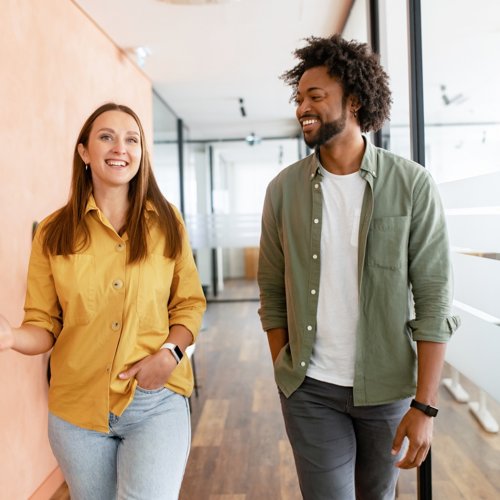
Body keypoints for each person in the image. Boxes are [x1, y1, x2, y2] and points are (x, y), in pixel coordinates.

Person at [257, 35, 460, 500]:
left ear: (354, 101)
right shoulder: (282, 191)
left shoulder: (412, 185)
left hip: (387, 390)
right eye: (298, 97)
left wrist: (424, 406)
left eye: (315, 96)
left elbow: (434, 297)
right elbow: (271, 290)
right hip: (311, 389)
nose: (302, 107)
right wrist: (286, 373)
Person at [0, 103, 206, 499]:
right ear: (84, 152)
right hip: (77, 411)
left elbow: (189, 304)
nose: (120, 148)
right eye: (106, 137)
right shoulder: (53, 232)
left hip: (155, 402)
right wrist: (10, 337)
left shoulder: (167, 223)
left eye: (132, 140)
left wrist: (169, 355)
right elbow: (44, 325)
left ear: (141, 153)